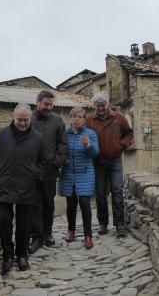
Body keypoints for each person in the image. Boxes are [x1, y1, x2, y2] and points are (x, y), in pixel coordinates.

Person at [0, 103, 46, 274]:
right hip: (4, 186)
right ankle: (8, 256)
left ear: (30, 119)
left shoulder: (38, 138)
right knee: (4, 223)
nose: (23, 123)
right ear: (13, 117)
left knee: (24, 225)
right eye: (20, 120)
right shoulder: (1, 134)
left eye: (26, 120)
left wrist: (36, 174)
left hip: (27, 187)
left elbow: (44, 162)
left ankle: (22, 255)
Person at [85, 92, 134, 237]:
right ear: (95, 106)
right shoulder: (89, 120)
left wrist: (122, 145)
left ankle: (119, 224)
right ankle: (103, 223)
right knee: (100, 194)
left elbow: (129, 134)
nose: (100, 108)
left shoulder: (119, 118)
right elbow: (83, 135)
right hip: (98, 162)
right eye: (98, 106)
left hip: (115, 161)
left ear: (108, 104)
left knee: (117, 191)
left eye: (103, 105)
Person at [29, 90, 68, 253]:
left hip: (50, 171)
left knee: (48, 203)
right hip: (31, 170)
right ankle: (36, 236)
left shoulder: (58, 121)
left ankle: (47, 234)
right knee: (33, 204)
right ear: (37, 103)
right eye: (46, 104)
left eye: (51, 105)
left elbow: (63, 144)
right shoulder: (28, 118)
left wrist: (56, 163)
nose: (49, 107)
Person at [58, 106, 99, 249]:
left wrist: (88, 145)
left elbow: (95, 153)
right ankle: (71, 231)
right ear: (71, 118)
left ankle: (88, 236)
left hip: (85, 173)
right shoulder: (65, 133)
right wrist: (62, 160)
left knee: (85, 205)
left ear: (84, 119)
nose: (77, 119)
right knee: (71, 205)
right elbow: (60, 150)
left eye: (80, 117)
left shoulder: (90, 134)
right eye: (75, 116)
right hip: (68, 173)